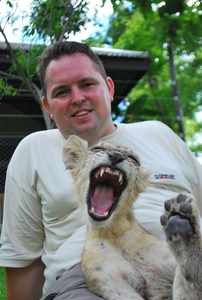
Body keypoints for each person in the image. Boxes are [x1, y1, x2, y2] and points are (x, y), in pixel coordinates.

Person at [0, 41, 202, 300]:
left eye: (87, 84)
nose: (77, 98)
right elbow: (23, 260)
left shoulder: (159, 133)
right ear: (48, 106)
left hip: (178, 262)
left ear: (108, 88)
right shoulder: (33, 149)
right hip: (85, 278)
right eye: (62, 92)